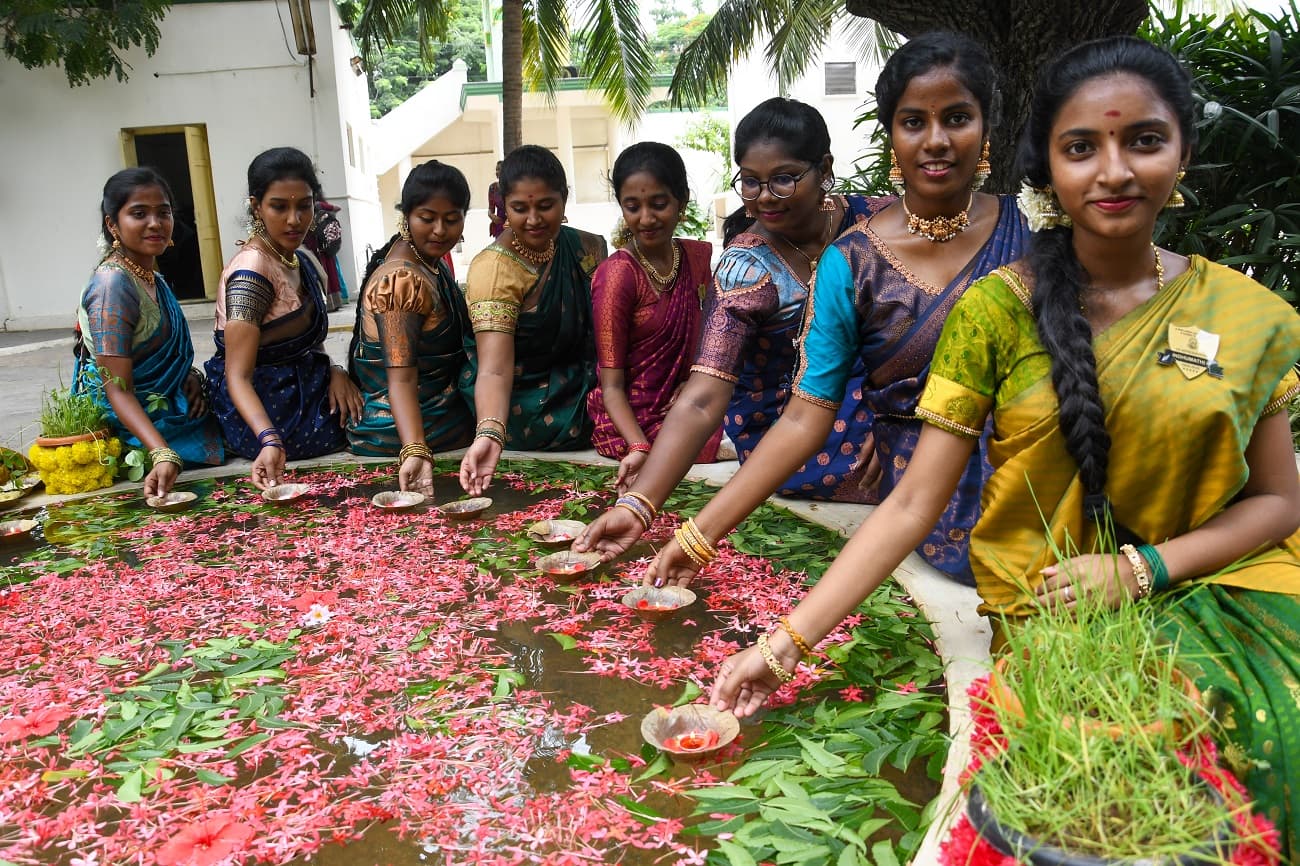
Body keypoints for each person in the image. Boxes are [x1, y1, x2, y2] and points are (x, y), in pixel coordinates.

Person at [708, 38, 1300, 857]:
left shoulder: (1249, 316)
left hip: (1230, 582)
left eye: (1145, 141)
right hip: (1056, 611)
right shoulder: (995, 312)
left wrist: (1142, 569)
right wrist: (782, 647)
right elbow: (913, 502)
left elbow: (1278, 501)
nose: (1115, 171)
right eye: (1082, 147)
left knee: (1281, 734)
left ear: (1185, 154)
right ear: (1047, 166)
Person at [636, 32, 1029, 588]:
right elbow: (737, 401)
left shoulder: (1037, 229)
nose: (936, 141)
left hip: (1045, 462)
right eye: (914, 122)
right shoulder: (843, 259)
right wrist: (670, 520)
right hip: (913, 475)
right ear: (891, 134)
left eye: (958, 118)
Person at [574, 98, 886, 559]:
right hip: (789, 424)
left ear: (824, 168)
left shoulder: (878, 223)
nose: (763, 197)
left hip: (887, 400)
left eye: (783, 178)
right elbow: (703, 397)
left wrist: (901, 413)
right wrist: (639, 506)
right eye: (750, 181)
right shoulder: (746, 266)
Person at [205, 147, 362, 490]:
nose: (294, 219)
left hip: (306, 385)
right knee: (372, 427)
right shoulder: (251, 272)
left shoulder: (298, 259)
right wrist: (269, 440)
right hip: (265, 409)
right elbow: (237, 375)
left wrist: (335, 370)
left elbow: (311, 343)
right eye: (279, 206)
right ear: (256, 206)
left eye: (304, 206)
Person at [457, 145, 608, 496]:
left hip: (582, 381)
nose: (534, 220)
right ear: (503, 206)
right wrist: (490, 433)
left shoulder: (586, 247)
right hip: (523, 403)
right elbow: (494, 370)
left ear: (564, 199)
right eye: (520, 209)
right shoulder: (494, 269)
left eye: (545, 206)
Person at [73, 167, 224, 496]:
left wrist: (188, 377)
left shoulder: (148, 276)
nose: (155, 223)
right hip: (130, 425)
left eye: (163, 212)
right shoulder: (113, 285)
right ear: (113, 223)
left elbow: (161, 354)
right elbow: (118, 389)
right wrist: (161, 452)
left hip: (165, 406)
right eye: (139, 213)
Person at [587, 142, 722, 493]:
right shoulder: (617, 275)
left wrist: (693, 384)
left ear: (682, 201)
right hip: (633, 420)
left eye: (659, 204)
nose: (646, 219)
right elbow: (611, 386)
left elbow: (706, 344)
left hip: (686, 402)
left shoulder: (694, 258)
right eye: (633, 207)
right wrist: (638, 445)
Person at [347, 160, 474, 494]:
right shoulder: (400, 283)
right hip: (400, 428)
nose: (440, 230)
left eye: (452, 219)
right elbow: (400, 378)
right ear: (406, 216)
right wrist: (415, 449)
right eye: (427, 218)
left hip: (438, 412)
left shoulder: (429, 264)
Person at [487, 161, 506, 239]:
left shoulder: (512, 187)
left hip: (513, 225)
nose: (497, 172)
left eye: (500, 169)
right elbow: (491, 209)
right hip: (499, 225)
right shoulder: (493, 188)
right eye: (497, 169)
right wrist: (491, 215)